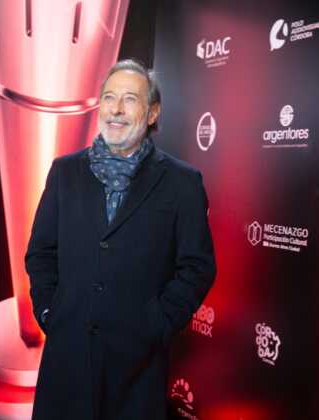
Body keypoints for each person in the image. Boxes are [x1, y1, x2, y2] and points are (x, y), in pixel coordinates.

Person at [25, 58, 216, 420]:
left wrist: (159, 322)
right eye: (109, 97)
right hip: (66, 362)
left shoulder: (182, 183)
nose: (116, 109)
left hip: (137, 372)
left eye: (130, 99)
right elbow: (41, 253)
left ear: (152, 113)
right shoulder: (65, 172)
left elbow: (197, 267)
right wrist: (48, 310)